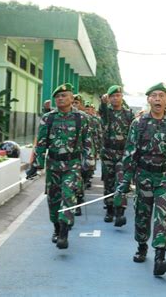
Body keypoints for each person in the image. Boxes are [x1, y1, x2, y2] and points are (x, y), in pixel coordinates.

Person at [113, 83, 166, 276]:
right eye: (154, 96)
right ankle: (141, 245)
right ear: (148, 99)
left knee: (162, 216)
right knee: (142, 214)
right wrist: (124, 181)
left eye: (161, 96)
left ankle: (160, 257)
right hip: (144, 177)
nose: (157, 99)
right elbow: (130, 155)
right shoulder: (139, 123)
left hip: (165, 178)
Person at [27, 83, 94, 249]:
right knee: (53, 198)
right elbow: (41, 143)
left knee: (68, 194)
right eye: (57, 96)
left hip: (73, 164)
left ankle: (64, 231)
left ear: (72, 99)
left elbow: (87, 142)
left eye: (64, 96)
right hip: (53, 165)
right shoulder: (48, 118)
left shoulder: (81, 118)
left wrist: (89, 162)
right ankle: (56, 227)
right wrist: (36, 165)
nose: (60, 99)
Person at [99, 85, 134, 223]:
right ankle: (109, 210)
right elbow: (102, 110)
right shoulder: (106, 112)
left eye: (118, 95)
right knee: (108, 182)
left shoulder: (128, 114)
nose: (115, 98)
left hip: (122, 154)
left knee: (121, 181)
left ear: (122, 97)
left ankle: (120, 211)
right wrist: (103, 102)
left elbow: (133, 134)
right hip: (107, 153)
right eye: (112, 96)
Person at [72, 94, 94, 215]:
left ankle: (78, 201)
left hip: (80, 154)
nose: (75, 105)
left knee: (79, 179)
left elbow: (89, 138)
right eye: (73, 102)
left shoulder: (84, 117)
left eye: (77, 103)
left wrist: (90, 156)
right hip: (69, 156)